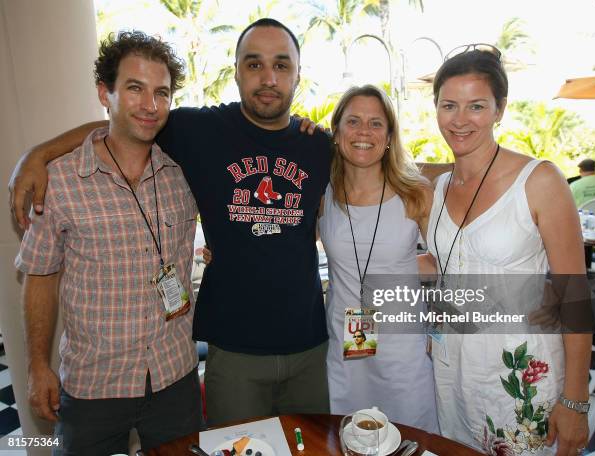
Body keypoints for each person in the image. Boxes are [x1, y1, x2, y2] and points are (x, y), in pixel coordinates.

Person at [8, 19, 450, 426]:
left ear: (298, 74)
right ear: (236, 71)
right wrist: (39, 154)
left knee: (314, 448)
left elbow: (379, 180)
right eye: (254, 63)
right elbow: (124, 122)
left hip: (313, 348)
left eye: (281, 65)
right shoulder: (198, 130)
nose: (268, 77)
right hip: (233, 351)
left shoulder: (318, 148)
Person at [14, 31, 202, 455]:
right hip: (94, 385)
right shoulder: (59, 181)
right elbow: (39, 277)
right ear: (106, 93)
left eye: (162, 93)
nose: (150, 105)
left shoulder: (182, 175)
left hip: (175, 377)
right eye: (135, 89)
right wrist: (38, 367)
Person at [420, 44, 590, 455]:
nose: (460, 121)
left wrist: (575, 402)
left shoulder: (540, 181)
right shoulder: (437, 189)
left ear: (500, 109)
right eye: (449, 106)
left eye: (476, 106)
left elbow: (576, 296)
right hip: (453, 372)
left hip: (519, 374)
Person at [320, 85, 438, 431]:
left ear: (389, 137)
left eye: (376, 123)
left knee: (412, 438)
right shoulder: (322, 193)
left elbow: (449, 264)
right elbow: (285, 241)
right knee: (349, 437)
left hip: (403, 350)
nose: (363, 132)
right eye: (353, 121)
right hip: (344, 347)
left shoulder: (416, 193)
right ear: (337, 130)